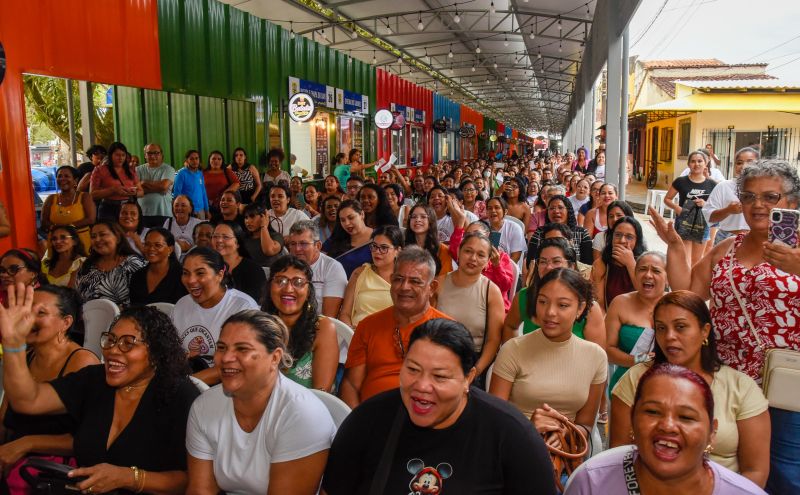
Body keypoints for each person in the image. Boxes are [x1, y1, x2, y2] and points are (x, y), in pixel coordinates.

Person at [651, 158, 800, 492]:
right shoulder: (728, 246)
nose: (758, 205)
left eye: (770, 197)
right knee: (731, 467)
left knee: (786, 473)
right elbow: (687, 292)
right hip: (731, 379)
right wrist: (674, 245)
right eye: (748, 196)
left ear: (792, 202)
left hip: (788, 388)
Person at [323, 319, 557, 495]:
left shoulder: (511, 435)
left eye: (440, 376)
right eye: (413, 370)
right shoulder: (368, 420)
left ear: (468, 379)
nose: (422, 386)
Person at [0, 298, 200, 495]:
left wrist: (129, 478)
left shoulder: (179, 395)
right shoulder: (94, 380)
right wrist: (13, 343)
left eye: (128, 343)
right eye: (110, 340)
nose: (113, 350)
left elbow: (192, 481)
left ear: (156, 352)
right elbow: (27, 400)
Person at [609, 291, 770, 487]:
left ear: (705, 331)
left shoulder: (740, 387)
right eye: (661, 328)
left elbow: (755, 471)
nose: (669, 337)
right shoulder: (635, 379)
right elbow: (618, 457)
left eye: (680, 327)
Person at [186, 310, 336, 494]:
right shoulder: (204, 406)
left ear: (275, 357)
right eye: (222, 348)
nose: (225, 358)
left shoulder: (302, 413)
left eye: (242, 349)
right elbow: (201, 490)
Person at [565, 363, 767, 495]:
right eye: (652, 412)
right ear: (633, 419)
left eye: (686, 417)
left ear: (712, 433)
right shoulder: (591, 484)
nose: (668, 426)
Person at [490, 269, 607, 454]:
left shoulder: (596, 357)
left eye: (562, 305)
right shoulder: (513, 350)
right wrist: (529, 428)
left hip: (564, 460)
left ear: (580, 308)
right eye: (543, 302)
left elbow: (585, 425)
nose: (550, 312)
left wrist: (565, 432)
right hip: (512, 451)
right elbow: (494, 419)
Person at [0, 285, 98, 492]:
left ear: (66, 322)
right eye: (26, 312)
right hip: (13, 457)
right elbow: (4, 420)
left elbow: (91, 438)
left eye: (40, 312)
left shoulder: (82, 362)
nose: (28, 320)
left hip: (54, 470)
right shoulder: (24, 358)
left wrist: (27, 444)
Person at [340, 247, 452, 408]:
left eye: (415, 281)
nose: (404, 287)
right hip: (372, 418)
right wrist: (359, 424)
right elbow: (351, 384)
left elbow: (451, 392)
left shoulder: (447, 331)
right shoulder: (368, 326)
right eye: (399, 279)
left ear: (432, 288)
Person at [174, 247, 259, 384]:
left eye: (200, 273)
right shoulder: (181, 305)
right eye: (186, 273)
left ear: (220, 275)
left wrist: (184, 385)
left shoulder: (242, 307)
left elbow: (237, 364)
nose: (191, 280)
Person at [502, 238, 605, 346]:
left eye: (556, 261)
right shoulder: (525, 296)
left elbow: (596, 355)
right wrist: (514, 355)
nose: (548, 267)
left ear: (571, 266)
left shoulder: (589, 307)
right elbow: (510, 326)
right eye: (543, 261)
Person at [436, 232, 504, 387]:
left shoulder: (491, 292)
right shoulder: (438, 284)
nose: (473, 258)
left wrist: (476, 371)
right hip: (437, 357)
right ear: (459, 252)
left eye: (480, 255)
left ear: (488, 261)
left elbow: (493, 340)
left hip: (472, 364)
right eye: (468, 251)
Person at [262, 256, 338, 391]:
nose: (288, 289)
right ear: (269, 287)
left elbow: (321, 391)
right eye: (280, 281)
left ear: (308, 290)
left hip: (308, 407)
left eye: (298, 282)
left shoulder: (322, 328)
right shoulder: (258, 325)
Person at [605, 252, 667, 393]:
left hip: (665, 386)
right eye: (642, 269)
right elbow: (608, 349)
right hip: (625, 384)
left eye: (656, 270)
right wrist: (640, 359)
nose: (648, 275)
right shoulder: (620, 303)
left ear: (667, 277)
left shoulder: (676, 306)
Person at [339, 226, 403, 329]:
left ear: (398, 251)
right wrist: (350, 331)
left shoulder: (404, 280)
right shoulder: (359, 273)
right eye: (374, 246)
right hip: (356, 334)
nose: (377, 251)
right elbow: (345, 313)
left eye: (384, 248)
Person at [448, 220, 516, 311]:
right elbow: (453, 249)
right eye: (468, 235)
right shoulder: (466, 255)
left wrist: (497, 265)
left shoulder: (502, 256)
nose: (473, 238)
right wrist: (460, 221)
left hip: (496, 307)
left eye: (477, 234)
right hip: (469, 304)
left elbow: (505, 286)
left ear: (487, 235)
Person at [664, 150, 718, 266]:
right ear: (688, 164)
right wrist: (677, 208)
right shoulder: (681, 181)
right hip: (684, 221)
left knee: (696, 260)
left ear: (705, 163)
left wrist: (705, 204)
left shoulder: (712, 184)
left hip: (702, 223)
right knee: (684, 258)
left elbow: (718, 205)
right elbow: (667, 199)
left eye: (700, 161)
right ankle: (683, 282)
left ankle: (693, 283)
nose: (696, 164)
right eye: (693, 161)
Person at [76, 221, 145, 307]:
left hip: (125, 318)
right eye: (93, 236)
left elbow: (142, 300)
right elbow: (77, 298)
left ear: (118, 238)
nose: (97, 240)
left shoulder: (134, 263)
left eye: (102, 235)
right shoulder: (87, 265)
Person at [287, 220, 347, 319]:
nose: (297, 249)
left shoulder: (332, 268)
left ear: (318, 246)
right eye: (293, 244)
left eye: (303, 244)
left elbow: (328, 318)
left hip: (319, 327)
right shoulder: (285, 266)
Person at [702, 147, 759, 244]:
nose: (744, 166)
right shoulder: (723, 186)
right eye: (739, 163)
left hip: (756, 239)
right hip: (726, 238)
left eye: (750, 162)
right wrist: (728, 210)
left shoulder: (766, 188)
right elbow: (709, 216)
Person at [591, 216, 646, 310]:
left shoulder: (645, 263)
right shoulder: (602, 263)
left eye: (629, 237)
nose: (622, 241)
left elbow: (645, 296)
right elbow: (599, 304)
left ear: (637, 241)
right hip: (608, 319)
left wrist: (630, 263)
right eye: (618, 235)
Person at [41, 165, 96, 252]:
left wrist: (68, 227)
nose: (62, 179)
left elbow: (90, 219)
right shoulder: (51, 199)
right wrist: (58, 230)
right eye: (59, 176)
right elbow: (44, 221)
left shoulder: (84, 197)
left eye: (67, 176)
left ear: (75, 180)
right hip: (57, 244)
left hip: (80, 242)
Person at [527, 195, 593, 265]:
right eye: (552, 208)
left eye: (560, 207)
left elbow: (587, 264)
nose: (556, 211)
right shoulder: (540, 232)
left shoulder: (582, 233)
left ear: (568, 210)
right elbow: (531, 262)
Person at [212, 221, 267, 304]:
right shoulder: (207, 266)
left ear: (237, 243)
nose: (219, 240)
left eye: (225, 237)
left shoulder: (253, 270)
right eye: (215, 236)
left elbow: (254, 302)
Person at [129, 228, 187, 306]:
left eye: (158, 245)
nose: (151, 249)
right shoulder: (137, 276)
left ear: (170, 249)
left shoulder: (182, 276)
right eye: (147, 244)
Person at [90, 142, 143, 221]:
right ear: (110, 155)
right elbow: (92, 194)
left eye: (123, 155)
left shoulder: (130, 170)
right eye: (117, 155)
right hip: (109, 208)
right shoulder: (100, 170)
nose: (121, 158)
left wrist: (133, 192)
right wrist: (113, 190)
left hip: (128, 206)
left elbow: (141, 192)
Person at [322, 200, 373, 278]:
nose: (347, 223)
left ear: (362, 214)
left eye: (351, 218)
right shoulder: (336, 239)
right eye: (342, 220)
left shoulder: (379, 237)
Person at [404, 204, 455, 283]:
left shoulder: (443, 250)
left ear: (431, 221)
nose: (417, 220)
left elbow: (444, 281)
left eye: (423, 217)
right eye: (414, 217)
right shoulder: (403, 247)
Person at [137, 143, 175, 228]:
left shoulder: (168, 169)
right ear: (145, 155)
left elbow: (163, 186)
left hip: (163, 213)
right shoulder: (138, 170)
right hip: (142, 213)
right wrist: (159, 188)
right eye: (149, 153)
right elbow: (136, 190)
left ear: (161, 154)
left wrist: (143, 183)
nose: (153, 156)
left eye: (156, 153)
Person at [483, 196, 528, 264]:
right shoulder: (481, 227)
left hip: (508, 270)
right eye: (489, 208)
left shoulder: (515, 228)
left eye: (497, 207)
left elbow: (515, 258)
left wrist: (499, 268)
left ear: (505, 211)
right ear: (486, 212)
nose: (493, 211)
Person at [241, 203, 284, 269]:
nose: (248, 221)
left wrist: (264, 226)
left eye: (252, 216)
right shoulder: (244, 239)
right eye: (246, 217)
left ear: (263, 217)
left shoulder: (276, 236)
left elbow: (269, 251)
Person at [172, 149, 209, 220]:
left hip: (201, 210)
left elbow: (203, 192)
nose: (194, 161)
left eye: (196, 158)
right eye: (191, 159)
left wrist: (207, 210)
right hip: (188, 210)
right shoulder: (181, 174)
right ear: (187, 160)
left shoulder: (200, 173)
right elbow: (177, 194)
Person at [203, 150, 239, 217]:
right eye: (213, 158)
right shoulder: (203, 172)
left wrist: (225, 194)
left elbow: (236, 183)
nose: (216, 161)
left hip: (224, 205)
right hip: (206, 206)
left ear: (222, 161)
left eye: (219, 159)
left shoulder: (227, 171)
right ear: (209, 160)